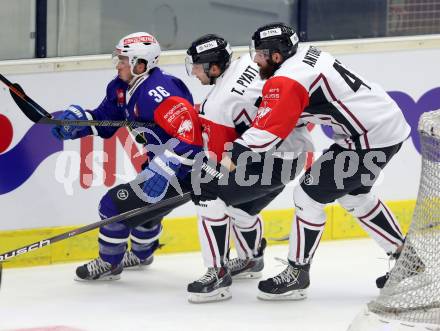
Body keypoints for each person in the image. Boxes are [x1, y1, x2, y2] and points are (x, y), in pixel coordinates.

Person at [196, 21, 413, 301]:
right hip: (380, 125)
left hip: (369, 137)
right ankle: (407, 259)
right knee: (355, 197)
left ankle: (297, 273)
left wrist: (223, 164)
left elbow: (265, 134)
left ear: (276, 56)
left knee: (307, 195)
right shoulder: (304, 55)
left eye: (261, 55)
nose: (256, 60)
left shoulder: (287, 80)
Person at [51, 32, 203, 281]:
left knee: (112, 206)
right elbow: (107, 121)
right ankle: (143, 255)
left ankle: (109, 263)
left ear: (141, 65)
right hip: (158, 162)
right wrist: (79, 124)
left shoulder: (159, 92)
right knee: (144, 211)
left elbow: (191, 136)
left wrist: (165, 168)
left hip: (183, 170)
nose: (118, 64)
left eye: (124, 60)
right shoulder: (121, 88)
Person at [185, 34, 314, 302]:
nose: (194, 73)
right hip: (295, 154)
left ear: (215, 68)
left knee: (207, 192)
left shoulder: (218, 105)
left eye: (198, 67)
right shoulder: (247, 62)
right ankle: (249, 259)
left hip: (271, 161)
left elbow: (222, 156)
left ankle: (217, 274)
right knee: (238, 204)